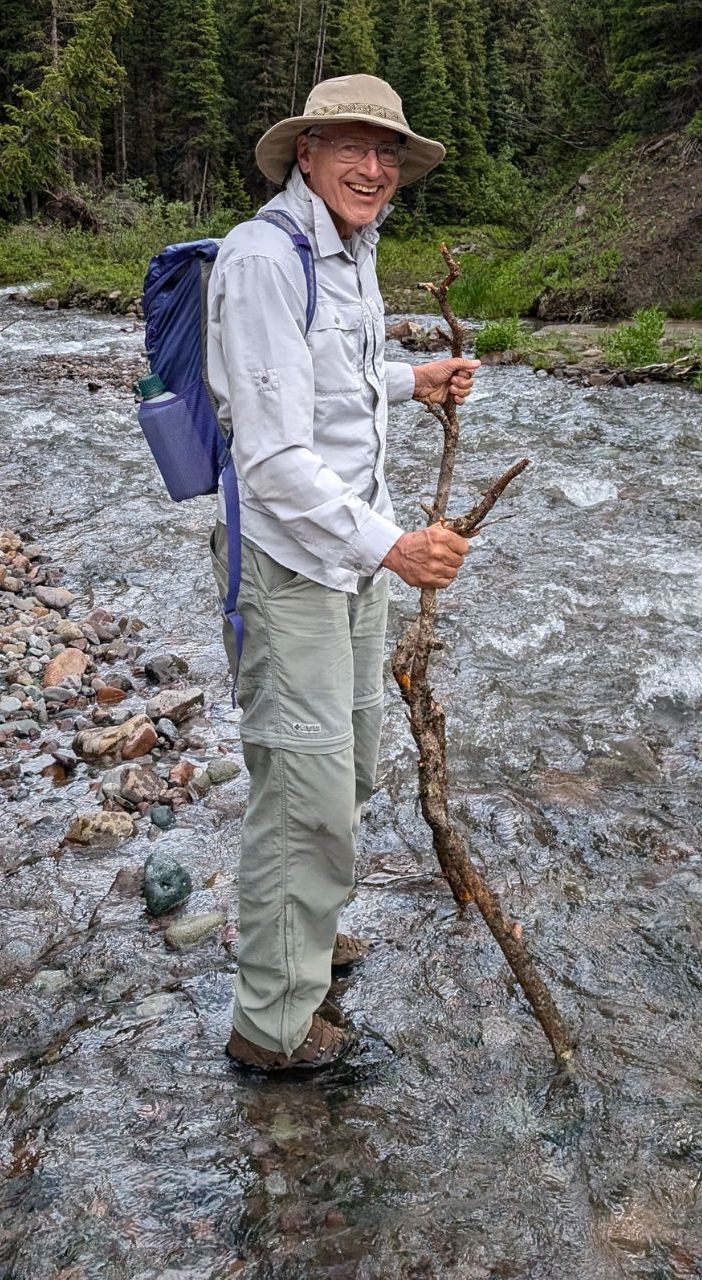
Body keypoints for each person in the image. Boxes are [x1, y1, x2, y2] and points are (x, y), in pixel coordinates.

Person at [206, 74, 478, 1074]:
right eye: (354, 148)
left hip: (349, 556)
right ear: (306, 153)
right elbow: (272, 459)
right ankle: (271, 1026)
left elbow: (338, 384)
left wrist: (415, 379)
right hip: (291, 568)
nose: (375, 167)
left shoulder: (352, 252)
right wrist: (397, 546)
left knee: (352, 761)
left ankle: (301, 933)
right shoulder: (264, 260)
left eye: (389, 153)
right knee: (306, 792)